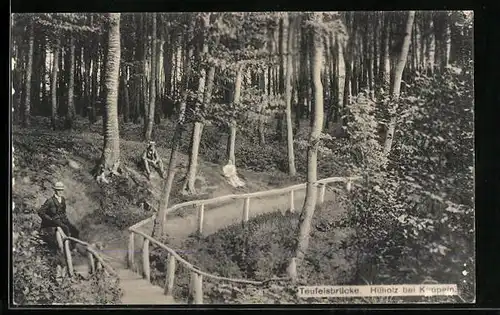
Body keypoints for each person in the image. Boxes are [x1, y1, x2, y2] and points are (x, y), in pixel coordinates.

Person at [38, 181, 80, 251]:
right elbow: (40, 212)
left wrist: (65, 218)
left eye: (61, 190)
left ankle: (73, 247)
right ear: (55, 190)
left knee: (75, 230)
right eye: (58, 190)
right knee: (66, 228)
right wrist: (50, 219)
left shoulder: (63, 199)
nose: (60, 192)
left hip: (62, 219)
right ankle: (66, 248)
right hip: (54, 221)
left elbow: (63, 211)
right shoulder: (50, 201)